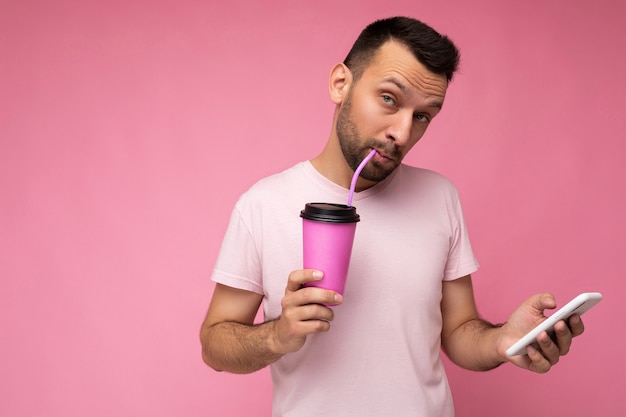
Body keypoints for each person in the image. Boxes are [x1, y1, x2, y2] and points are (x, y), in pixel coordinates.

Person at [200, 16, 585, 416]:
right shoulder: (262, 205)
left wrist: (504, 340)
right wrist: (277, 335)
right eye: (389, 99)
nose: (402, 133)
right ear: (340, 84)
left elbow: (457, 332)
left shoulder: (440, 197)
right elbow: (215, 345)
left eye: (422, 116)